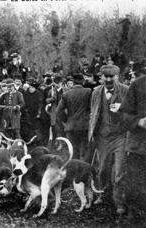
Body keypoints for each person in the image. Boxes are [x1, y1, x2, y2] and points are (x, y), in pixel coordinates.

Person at [88, 65, 128, 214]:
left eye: (112, 76)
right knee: (103, 169)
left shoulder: (126, 90)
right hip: (102, 138)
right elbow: (93, 114)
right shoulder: (96, 92)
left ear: (117, 77)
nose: (109, 79)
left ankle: (119, 203)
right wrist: (92, 134)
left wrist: (122, 108)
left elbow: (134, 113)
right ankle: (103, 194)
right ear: (102, 77)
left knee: (119, 172)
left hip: (120, 137)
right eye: (106, 76)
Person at [119, 61, 146, 220]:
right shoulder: (137, 85)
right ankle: (134, 210)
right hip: (140, 145)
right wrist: (139, 122)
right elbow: (124, 115)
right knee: (135, 180)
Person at [56, 73, 92, 160]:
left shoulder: (66, 94)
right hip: (85, 126)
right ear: (83, 82)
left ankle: (74, 171)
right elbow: (93, 107)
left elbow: (58, 111)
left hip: (71, 126)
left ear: (73, 82)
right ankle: (84, 171)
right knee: (85, 151)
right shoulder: (88, 92)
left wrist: (66, 120)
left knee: (73, 152)